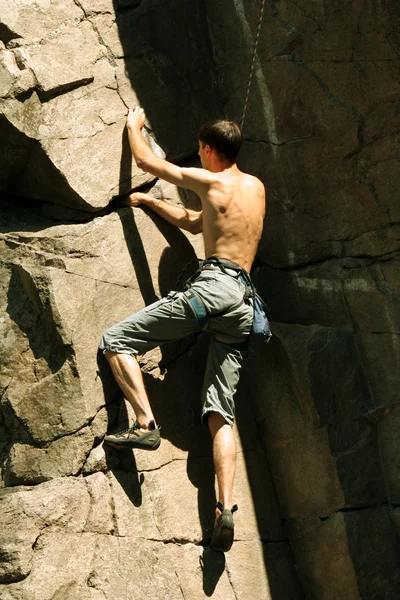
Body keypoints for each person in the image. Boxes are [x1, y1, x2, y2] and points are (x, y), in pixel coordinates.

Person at [99, 107, 266, 552]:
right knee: (219, 412)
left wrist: (133, 127)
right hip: (245, 306)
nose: (197, 155)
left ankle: (143, 423)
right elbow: (199, 222)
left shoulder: (212, 181)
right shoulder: (255, 187)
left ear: (209, 150)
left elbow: (149, 164)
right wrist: (153, 204)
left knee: (117, 340)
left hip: (213, 290)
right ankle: (224, 510)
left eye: (199, 149)